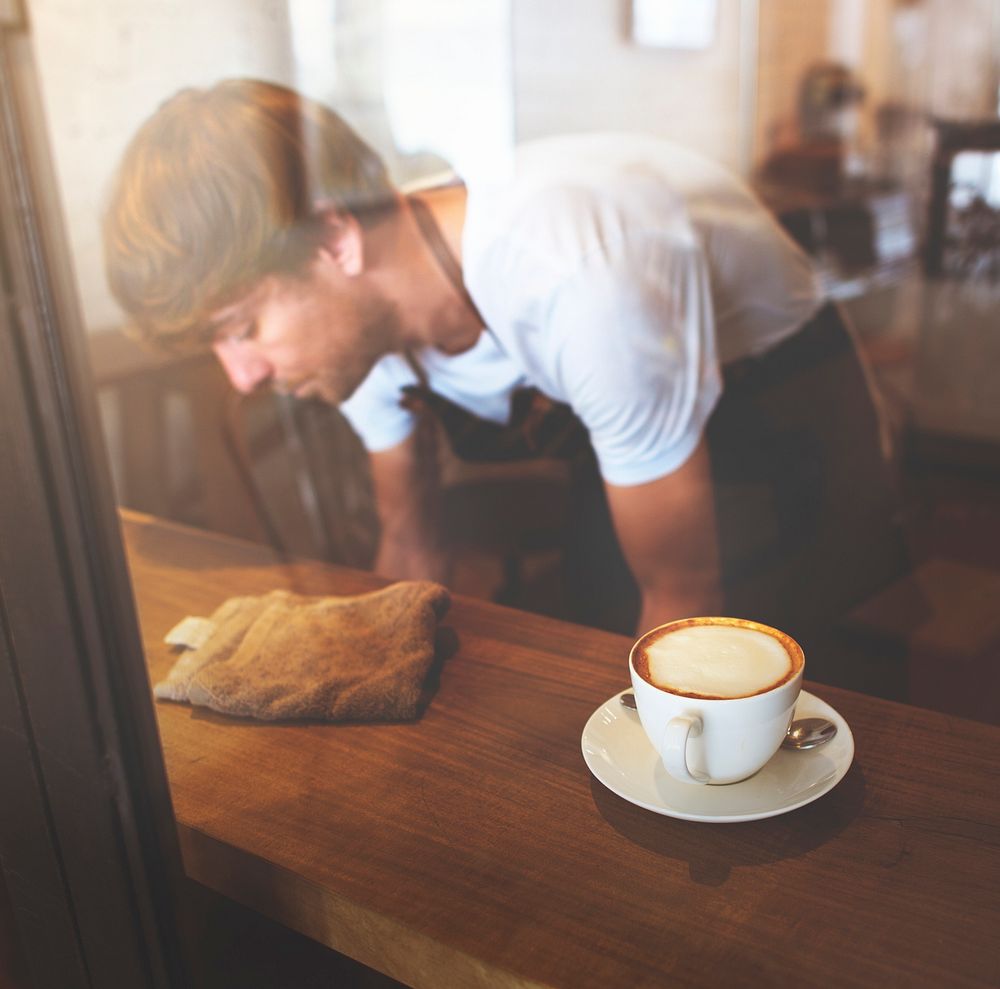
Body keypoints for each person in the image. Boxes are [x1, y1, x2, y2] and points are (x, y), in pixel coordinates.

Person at [103, 78, 906, 657]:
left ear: (332, 239)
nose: (240, 376)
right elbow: (409, 540)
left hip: (782, 408)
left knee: (794, 671)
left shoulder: (578, 271)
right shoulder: (360, 327)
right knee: (598, 618)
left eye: (243, 327)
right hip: (633, 423)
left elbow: (683, 595)